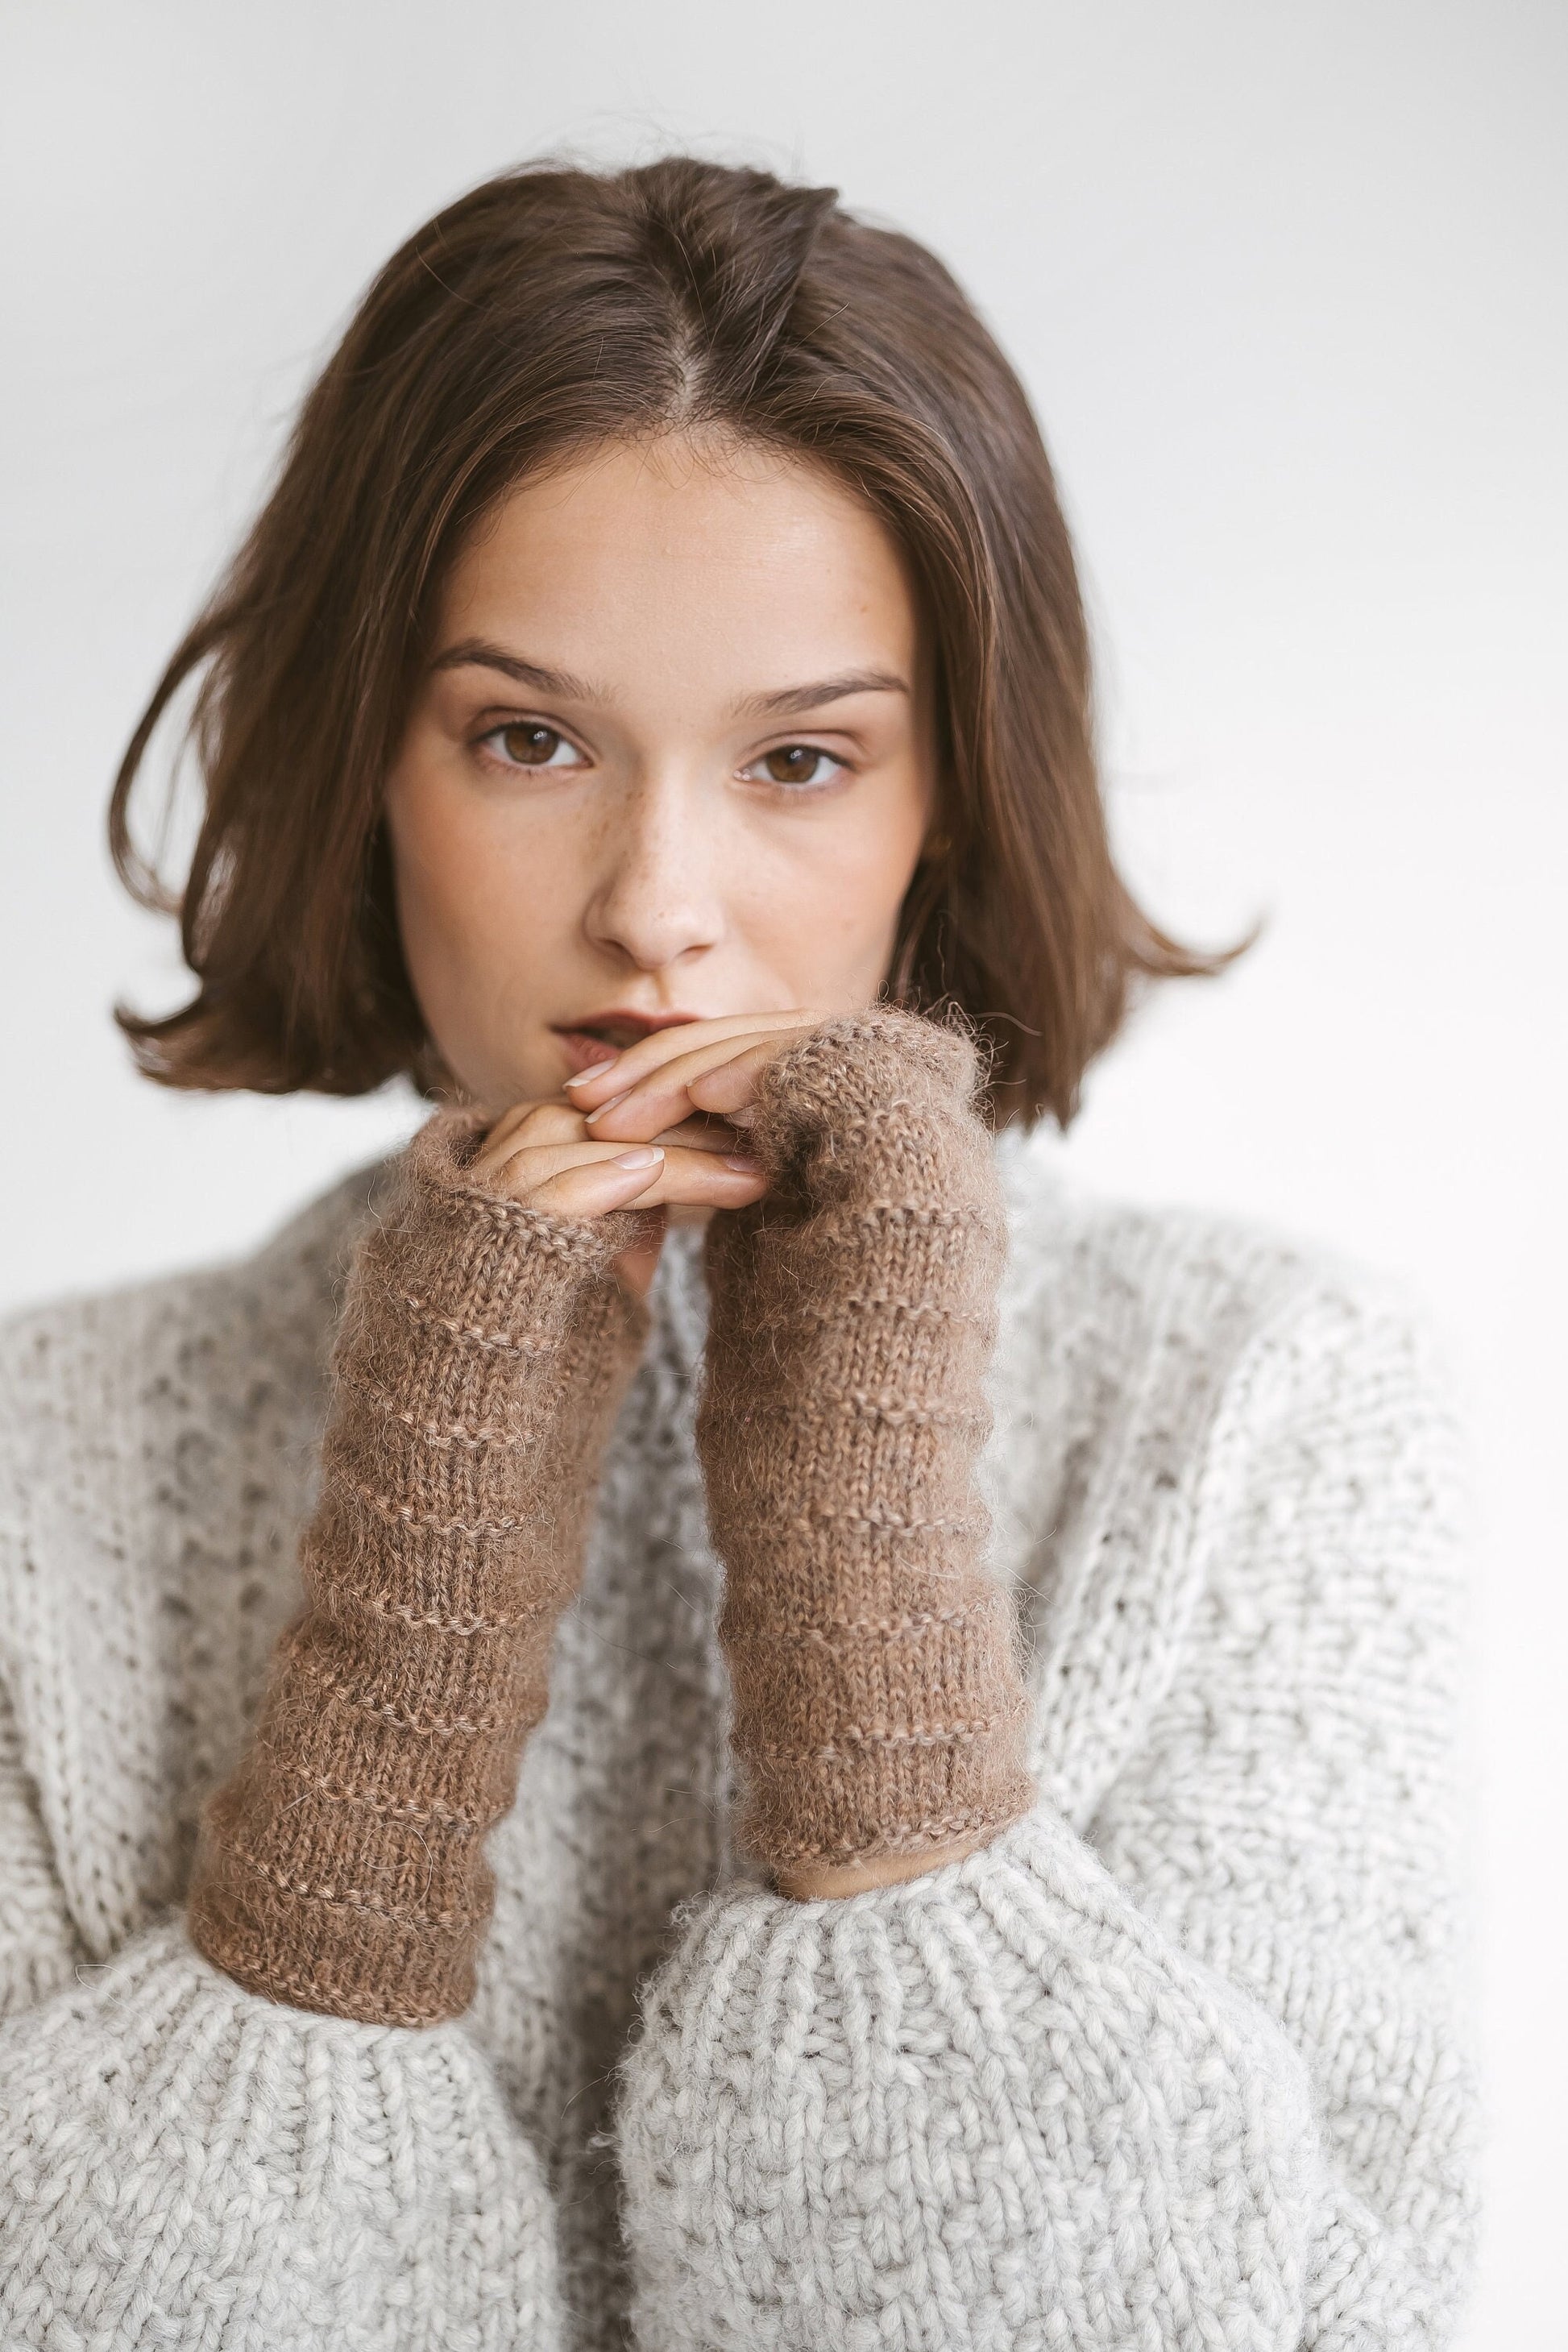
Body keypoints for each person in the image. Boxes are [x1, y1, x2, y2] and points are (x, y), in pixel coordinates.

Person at [0, 156, 1477, 2349]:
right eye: (526, 738)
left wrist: (871, 1588)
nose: (656, 903)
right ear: (367, 758)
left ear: (945, 792)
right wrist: (370, 1757)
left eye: (797, 759)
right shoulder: (47, 1458)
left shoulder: (1270, 1403)